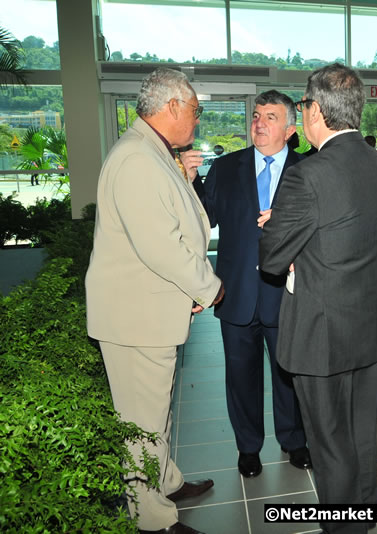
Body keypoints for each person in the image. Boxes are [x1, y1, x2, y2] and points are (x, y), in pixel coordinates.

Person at [259, 64, 377, 534]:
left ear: (315, 111)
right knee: (361, 430)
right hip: (373, 325)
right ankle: (366, 508)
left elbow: (273, 259)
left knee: (330, 441)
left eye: (303, 105)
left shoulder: (308, 176)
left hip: (322, 333)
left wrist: (278, 228)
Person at [85, 67, 224, 534]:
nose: (198, 120)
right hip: (134, 318)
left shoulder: (154, 152)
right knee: (140, 425)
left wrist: (185, 176)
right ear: (173, 108)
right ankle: (151, 519)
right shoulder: (138, 158)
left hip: (146, 312)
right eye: (196, 111)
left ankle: (164, 482)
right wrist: (211, 286)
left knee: (154, 410)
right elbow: (162, 245)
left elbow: (178, 220)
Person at [188, 90, 311, 478]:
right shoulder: (226, 168)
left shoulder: (309, 170)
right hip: (237, 293)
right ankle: (248, 447)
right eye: (257, 115)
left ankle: (294, 440)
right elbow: (204, 217)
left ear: (290, 128)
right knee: (240, 377)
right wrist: (191, 182)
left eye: (271, 117)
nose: (259, 123)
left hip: (288, 295)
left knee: (288, 375)